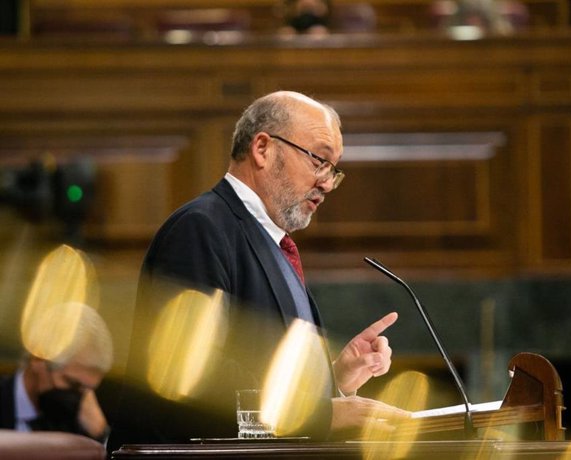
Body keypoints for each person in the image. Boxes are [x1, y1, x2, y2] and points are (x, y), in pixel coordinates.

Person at [108, 91, 408, 452]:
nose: (327, 183)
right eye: (319, 160)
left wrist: (336, 381)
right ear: (263, 149)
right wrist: (322, 414)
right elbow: (190, 378)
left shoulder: (270, 241)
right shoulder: (201, 228)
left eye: (333, 170)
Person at [0, 302, 113, 442]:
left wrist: (100, 434)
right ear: (38, 358)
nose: (80, 396)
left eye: (88, 389)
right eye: (72, 383)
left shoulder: (80, 422)